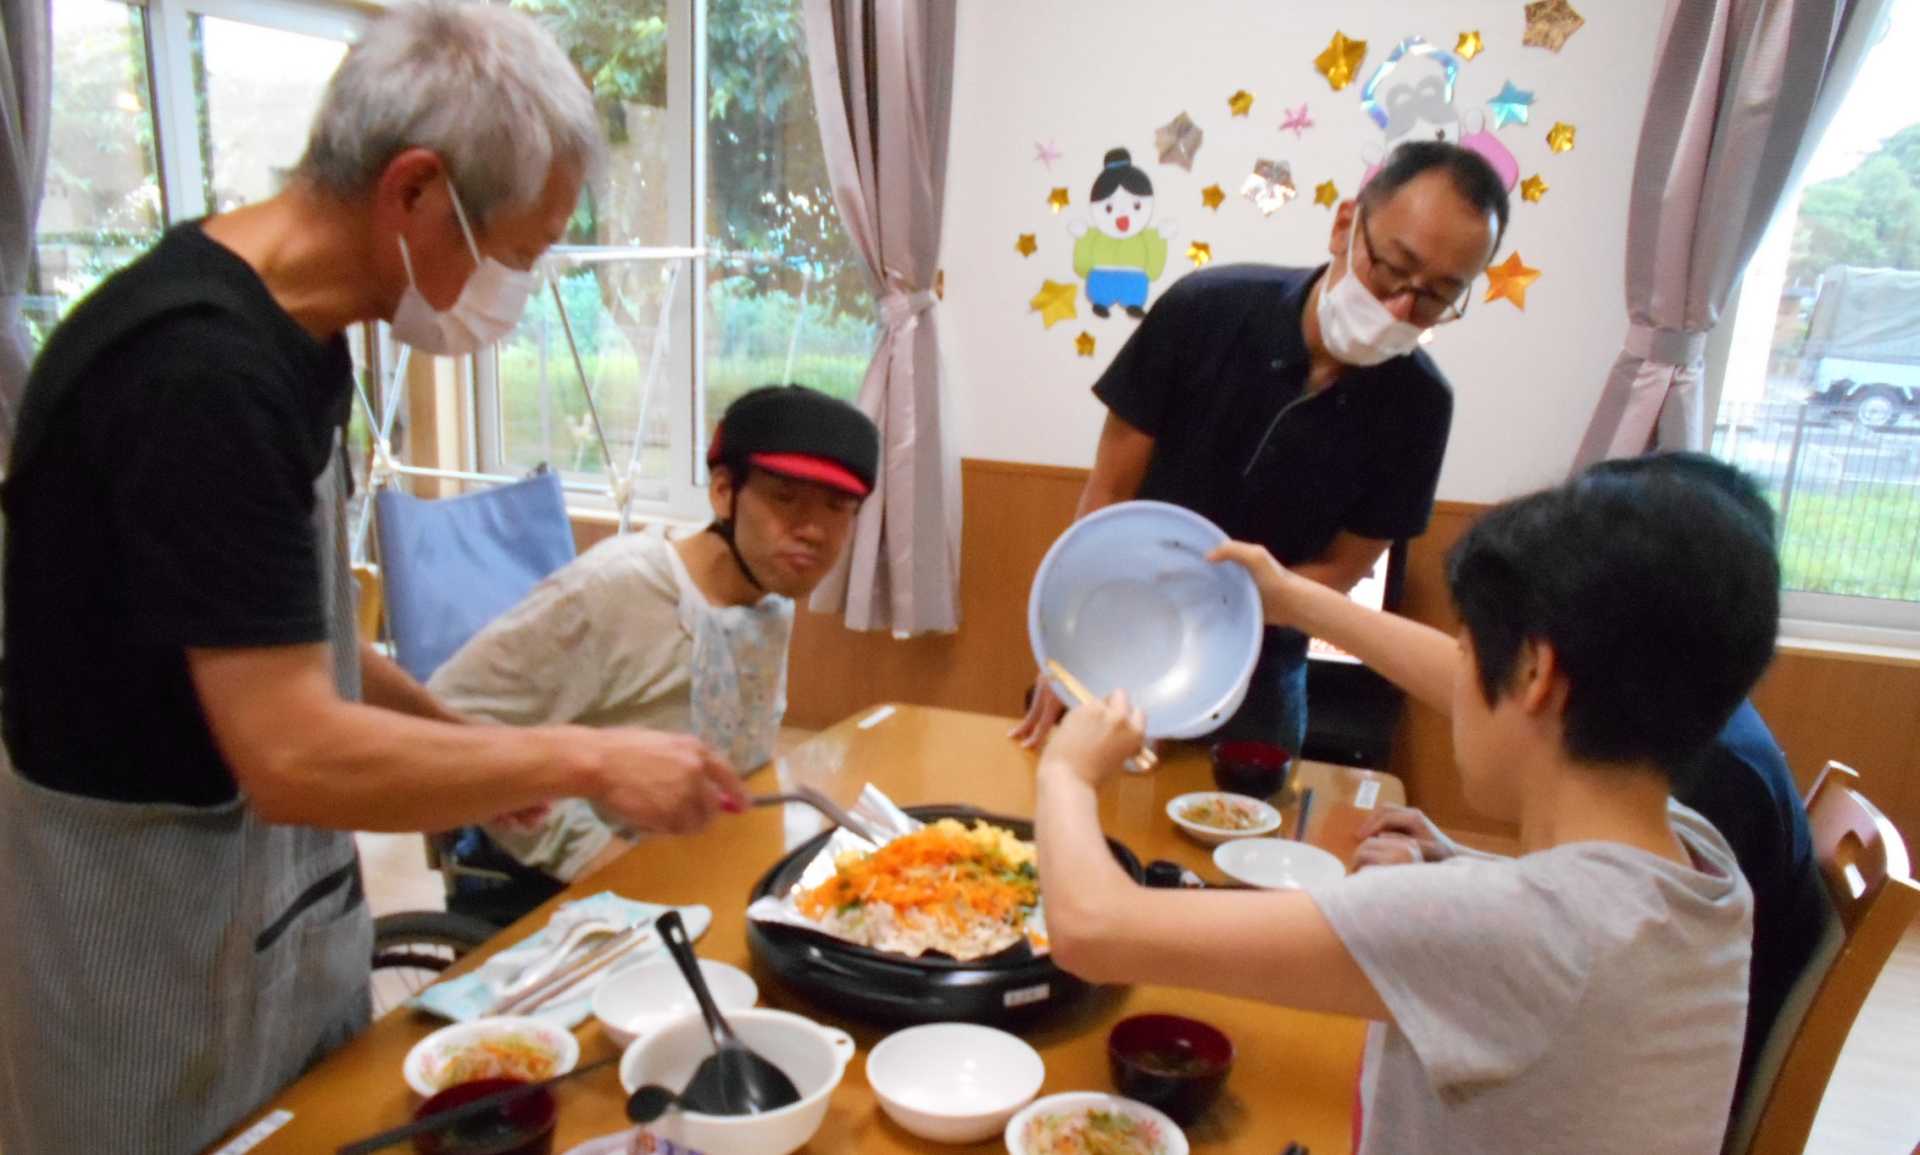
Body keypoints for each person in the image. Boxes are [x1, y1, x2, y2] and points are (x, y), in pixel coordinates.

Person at [0, 6, 743, 1152]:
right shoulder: (194, 376)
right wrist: (587, 754)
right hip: (145, 933)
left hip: (271, 906)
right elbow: (292, 751)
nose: (514, 291)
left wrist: (455, 742)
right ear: (412, 191)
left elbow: (301, 643)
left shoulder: (303, 335)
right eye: (517, 254)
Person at [1034, 464, 1781, 1154]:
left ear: (1534, 671)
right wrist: (1292, 597)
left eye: (1466, 650)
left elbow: (1093, 931)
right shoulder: (1701, 860)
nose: (1453, 679)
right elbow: (1541, 944)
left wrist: (1069, 770)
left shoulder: (1516, 931)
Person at [1343, 453, 1825, 1111]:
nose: (1457, 682)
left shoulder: (1719, 782)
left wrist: (1448, 898)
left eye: (1465, 650)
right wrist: (1462, 866)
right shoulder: (1693, 817)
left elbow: (1564, 942)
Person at [1014, 140, 1510, 757]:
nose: (1401, 306)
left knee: (1244, 832)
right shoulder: (1203, 311)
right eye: (1391, 268)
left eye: (1436, 293)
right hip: (1116, 624)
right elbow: (1108, 491)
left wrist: (1220, 624)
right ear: (1344, 224)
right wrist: (1073, 646)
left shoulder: (1421, 406)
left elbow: (1345, 568)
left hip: (1262, 664)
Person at [428, 385, 878, 897]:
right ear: (724, 492)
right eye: (784, 498)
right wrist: (604, 861)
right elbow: (451, 715)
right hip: (562, 887)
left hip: (696, 865)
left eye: (838, 507)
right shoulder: (612, 590)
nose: (814, 532)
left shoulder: (771, 596)